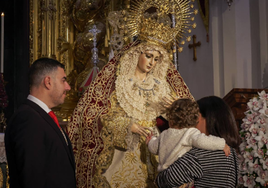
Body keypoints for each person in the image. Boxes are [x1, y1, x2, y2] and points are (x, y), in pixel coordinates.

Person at [67, 1, 196, 187]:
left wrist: (175, 108)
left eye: (157, 59)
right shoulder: (119, 82)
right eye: (149, 56)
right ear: (137, 53)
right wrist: (128, 126)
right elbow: (94, 115)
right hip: (124, 150)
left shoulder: (161, 85)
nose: (152, 63)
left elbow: (187, 120)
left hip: (157, 148)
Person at [5, 58, 76, 188]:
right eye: (63, 80)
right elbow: (32, 178)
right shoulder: (28, 119)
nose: (68, 87)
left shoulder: (40, 116)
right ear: (48, 82)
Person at [156, 96, 240, 188]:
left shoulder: (203, 154)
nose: (189, 124)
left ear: (204, 119)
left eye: (194, 118)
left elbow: (163, 180)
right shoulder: (231, 152)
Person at [146, 98, 230, 172]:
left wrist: (150, 140)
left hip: (164, 174)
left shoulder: (163, 134)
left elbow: (153, 148)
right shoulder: (190, 133)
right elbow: (203, 141)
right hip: (180, 175)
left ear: (170, 121)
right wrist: (222, 144)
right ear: (195, 120)